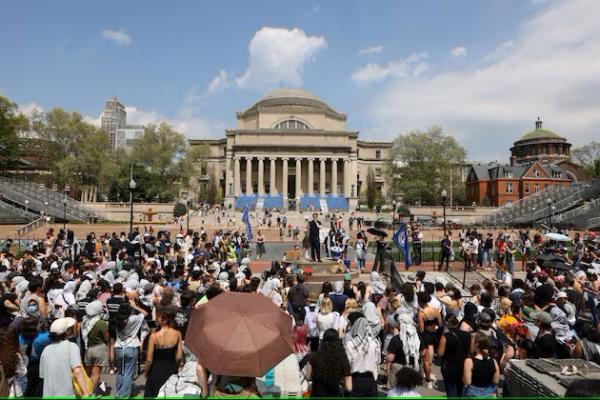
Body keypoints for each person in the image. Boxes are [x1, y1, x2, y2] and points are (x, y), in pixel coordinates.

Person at [39, 317, 91, 397]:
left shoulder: (45, 350)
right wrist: (85, 392)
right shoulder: (71, 347)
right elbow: (77, 371)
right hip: (67, 394)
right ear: (67, 332)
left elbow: (42, 375)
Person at [144, 306, 183, 398]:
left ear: (163, 319)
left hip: (155, 371)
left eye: (158, 317)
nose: (156, 319)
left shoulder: (154, 336)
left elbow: (149, 360)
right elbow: (179, 356)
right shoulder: (177, 334)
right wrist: (175, 368)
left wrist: (146, 373)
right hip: (170, 369)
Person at [114, 294, 148, 398]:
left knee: (120, 371)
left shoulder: (117, 319)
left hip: (119, 346)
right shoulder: (134, 319)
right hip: (131, 346)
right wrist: (134, 306)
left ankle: (118, 393)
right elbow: (145, 313)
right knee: (128, 372)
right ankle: (124, 395)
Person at [305, 328, 352, 397]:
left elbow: (308, 377)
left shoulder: (313, 356)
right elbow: (348, 386)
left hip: (317, 394)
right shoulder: (342, 358)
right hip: (334, 394)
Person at [344, 316, 380, 397]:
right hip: (370, 378)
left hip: (355, 378)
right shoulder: (374, 342)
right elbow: (377, 360)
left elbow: (348, 363)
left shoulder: (351, 343)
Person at [437, 314, 471, 397]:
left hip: (449, 367)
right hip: (463, 366)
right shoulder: (467, 335)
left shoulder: (445, 336)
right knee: (460, 390)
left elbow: (440, 353)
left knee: (451, 390)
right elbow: (470, 351)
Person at [81, 300, 109, 394]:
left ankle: (85, 392)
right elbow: (107, 337)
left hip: (88, 349)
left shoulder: (85, 321)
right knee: (96, 374)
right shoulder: (101, 323)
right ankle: (92, 393)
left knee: (87, 373)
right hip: (100, 349)